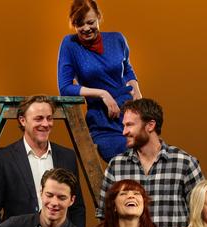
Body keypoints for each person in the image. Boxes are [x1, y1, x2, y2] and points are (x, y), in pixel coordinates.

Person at [98, 98, 204, 227]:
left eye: (129, 125)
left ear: (150, 125)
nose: (124, 132)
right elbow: (104, 215)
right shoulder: (116, 166)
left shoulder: (185, 163)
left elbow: (202, 213)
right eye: (124, 125)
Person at [0, 95, 86, 227]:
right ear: (22, 121)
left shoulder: (67, 156)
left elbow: (77, 208)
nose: (45, 124)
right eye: (39, 118)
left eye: (49, 118)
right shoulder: (3, 158)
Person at [57, 0, 143, 162]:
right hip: (102, 119)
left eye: (90, 22)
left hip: (130, 113)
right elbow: (65, 88)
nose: (86, 28)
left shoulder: (117, 39)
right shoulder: (70, 45)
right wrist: (103, 94)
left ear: (99, 17)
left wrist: (137, 92)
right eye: (79, 24)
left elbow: (127, 69)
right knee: (124, 162)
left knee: (153, 158)